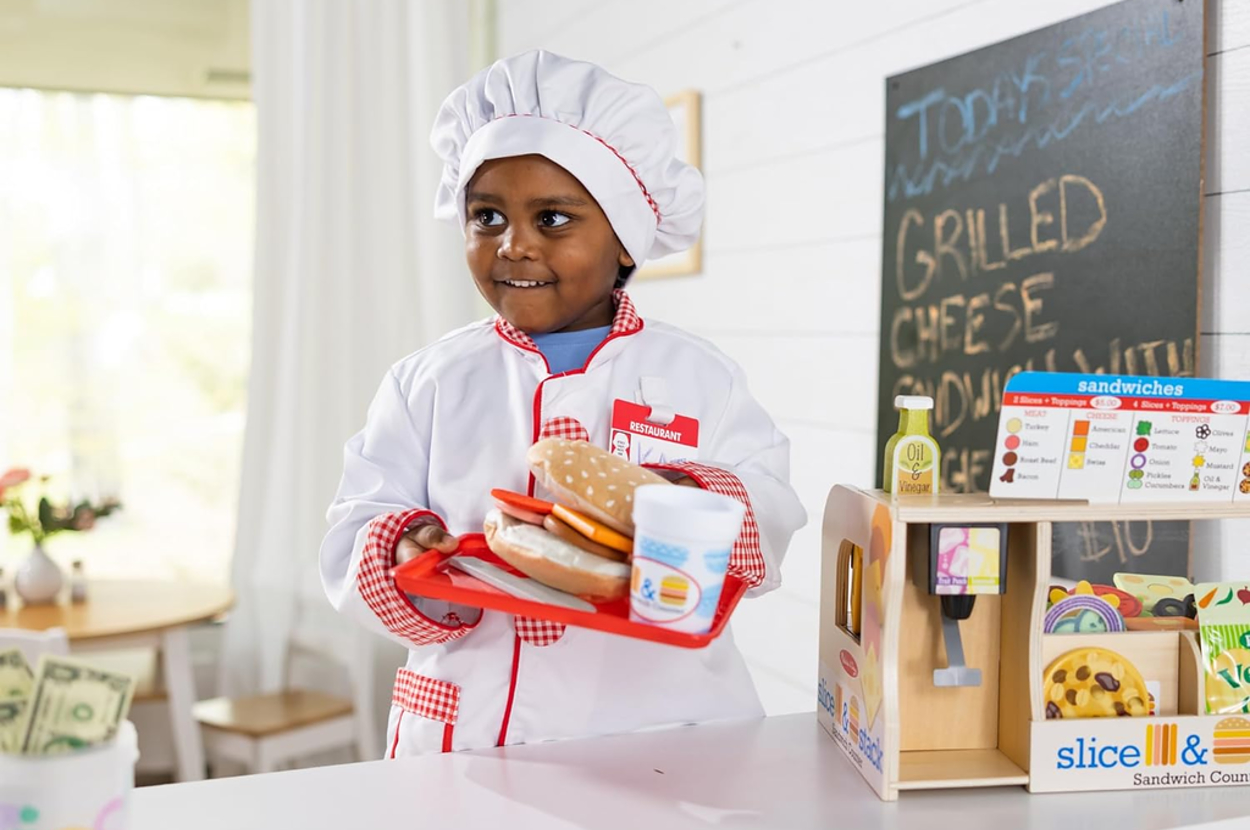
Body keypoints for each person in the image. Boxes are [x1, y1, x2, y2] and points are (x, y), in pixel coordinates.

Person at [321, 50, 806, 757]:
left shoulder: (700, 377)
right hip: (474, 733)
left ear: (627, 242)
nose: (513, 247)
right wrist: (402, 546)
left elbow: (773, 511)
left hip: (662, 735)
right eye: (486, 217)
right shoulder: (426, 382)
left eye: (552, 219)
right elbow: (351, 531)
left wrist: (685, 497)